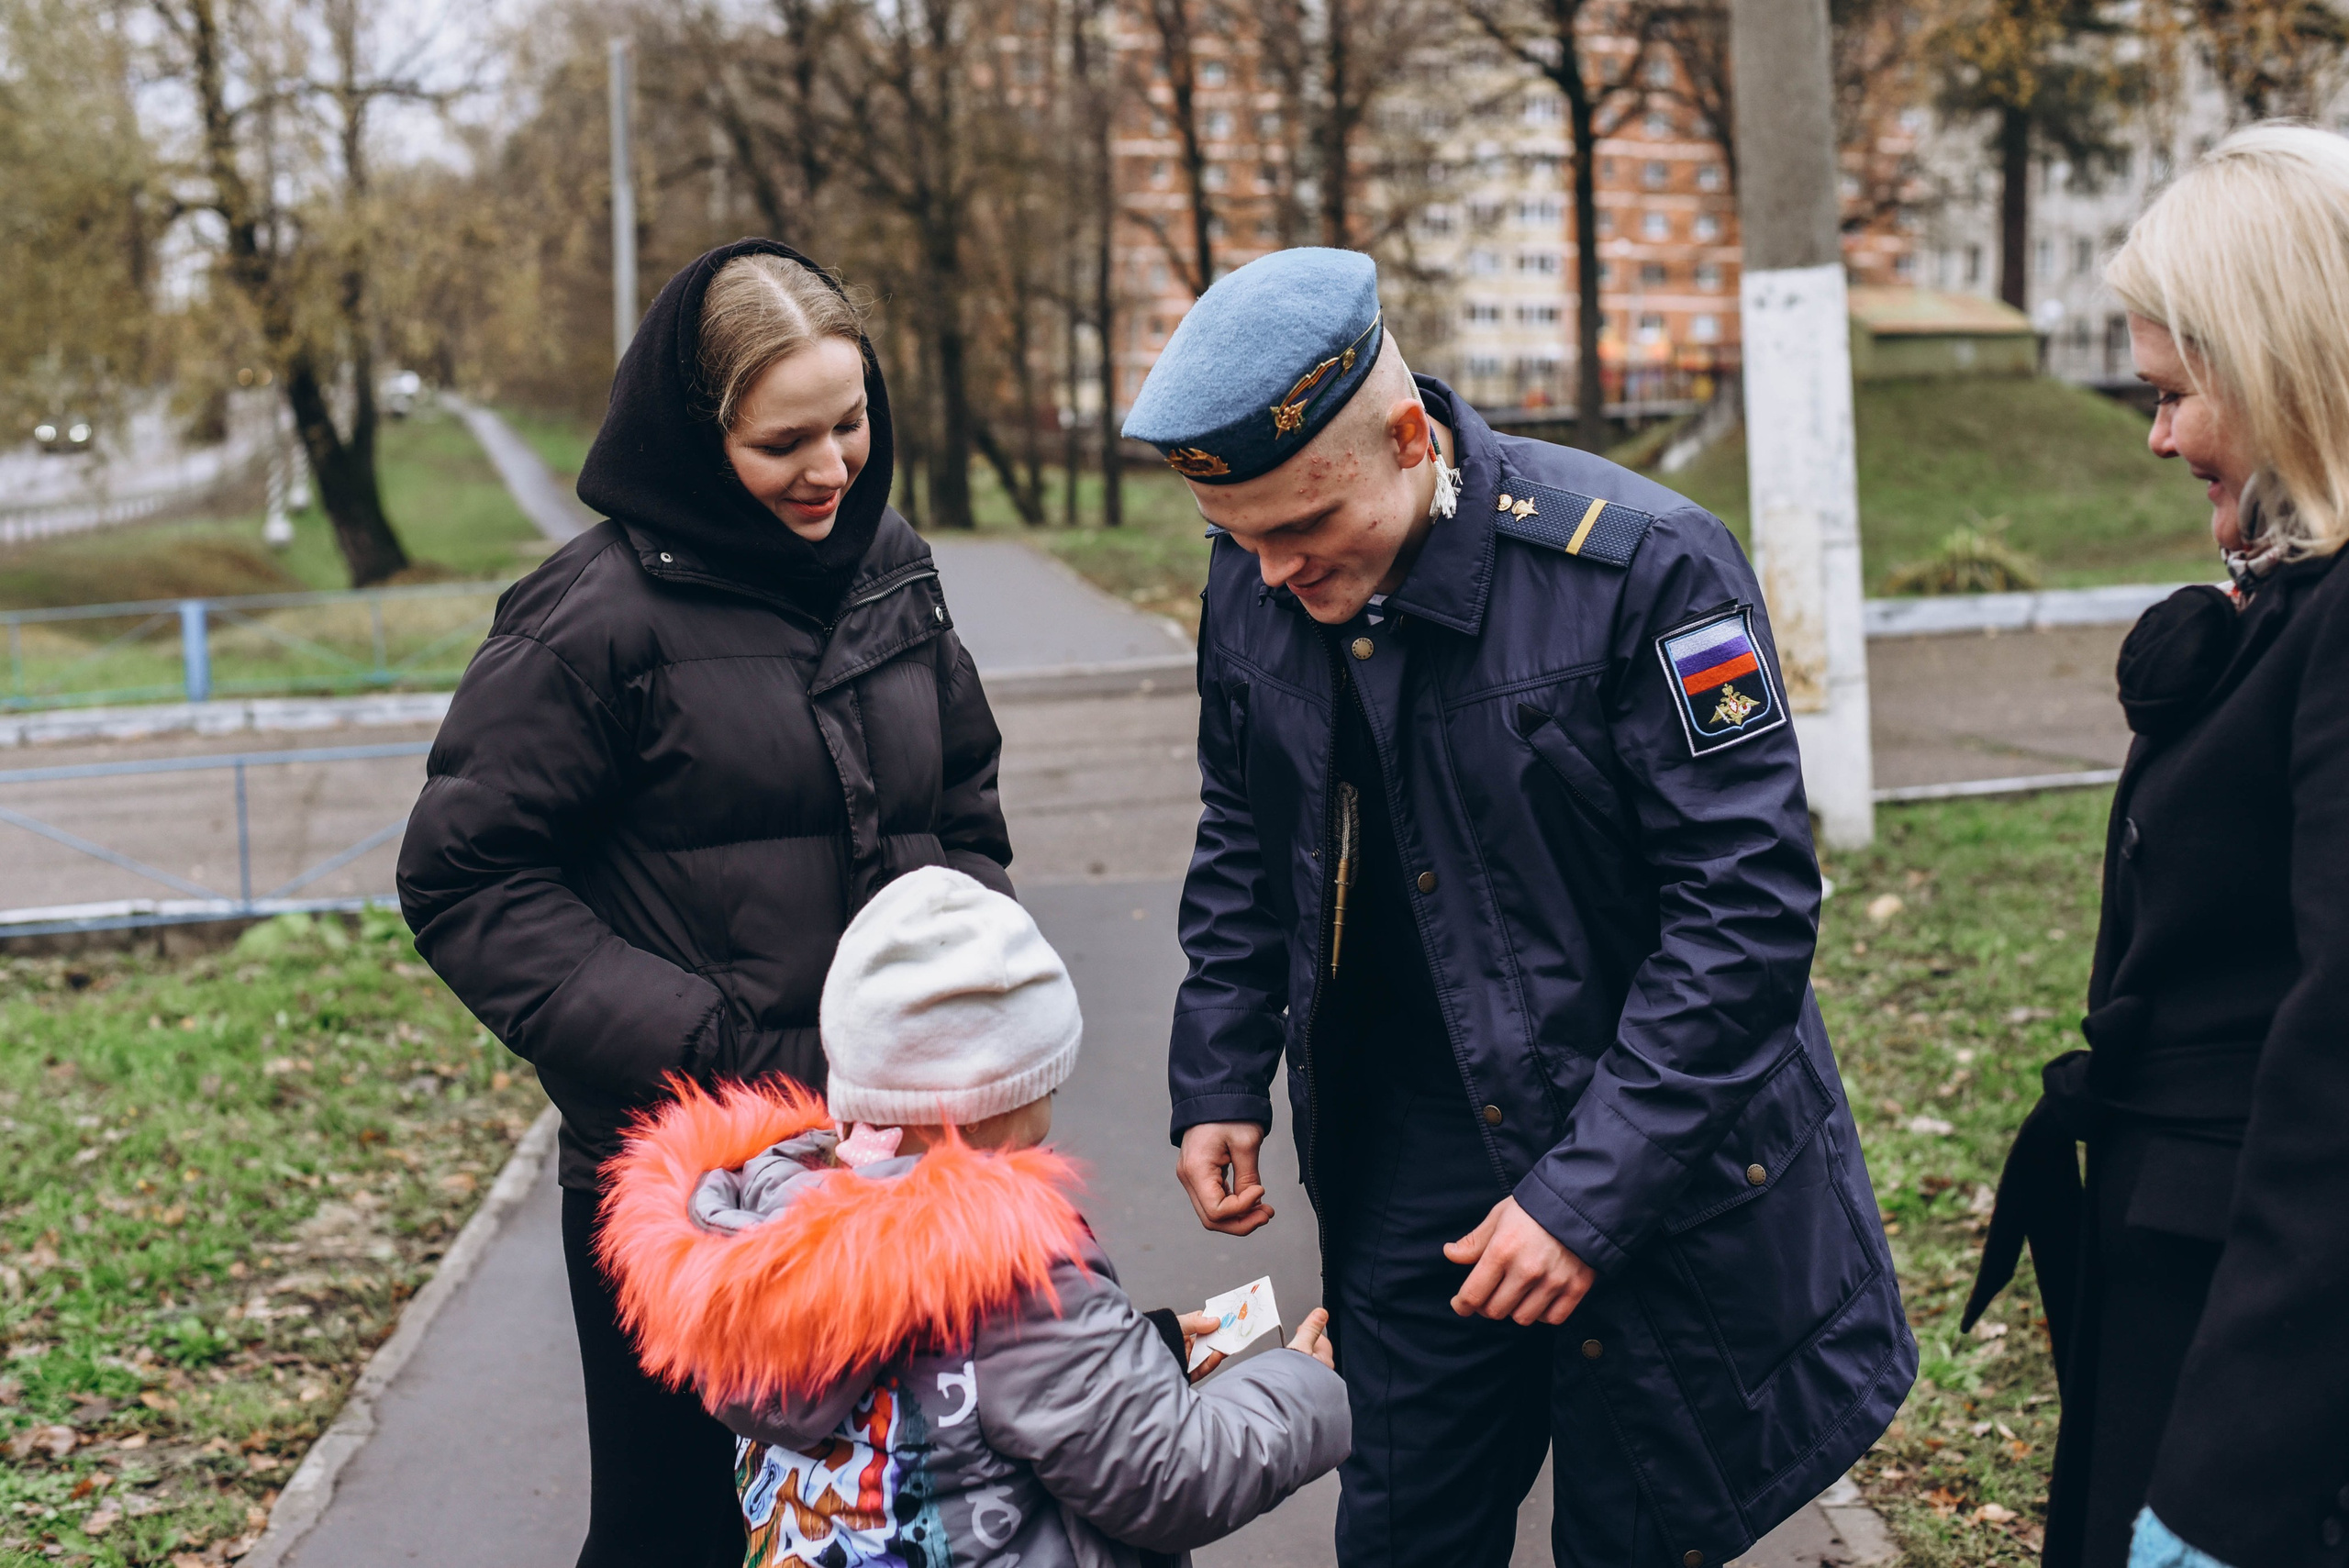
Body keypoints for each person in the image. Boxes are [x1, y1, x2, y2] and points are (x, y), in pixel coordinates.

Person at [1130, 247, 1914, 1568]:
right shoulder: (1254, 582)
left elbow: (1747, 912)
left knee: (1633, 1529)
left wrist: (1585, 1199)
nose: (1270, 573)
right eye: (1237, 538)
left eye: (1303, 530)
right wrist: (1216, 1069)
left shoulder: (1646, 570)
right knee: (1402, 1532)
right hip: (1404, 1174)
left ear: (1407, 438)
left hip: (1651, 1160)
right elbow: (1244, 836)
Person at [396, 239, 1013, 1567]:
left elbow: (961, 809)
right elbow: (465, 877)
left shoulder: (891, 567)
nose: (833, 468)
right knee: (675, 1536)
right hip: (691, 1198)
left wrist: (973, 1014)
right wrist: (720, 1048)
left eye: (852, 423)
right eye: (786, 439)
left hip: (901, 1169)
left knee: (898, 1518)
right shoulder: (589, 620)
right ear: (693, 437)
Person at [1964, 125, 2349, 1568]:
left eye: (2179, 391)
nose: (2159, 433)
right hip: (2183, 1271)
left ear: (2293, 362)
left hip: (2254, 1338)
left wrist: (2225, 1490)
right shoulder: (2294, 595)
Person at [596, 866, 1353, 1568]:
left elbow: (948, 1385)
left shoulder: (762, 1231)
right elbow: (1169, 1475)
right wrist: (1298, 1389)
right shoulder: (1011, 1271)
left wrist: (1138, 1347)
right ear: (1001, 1096)